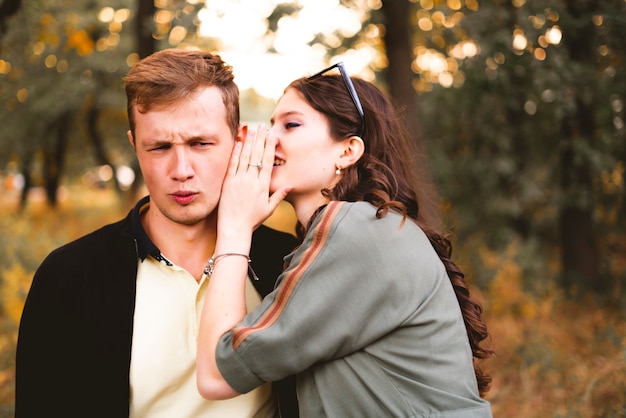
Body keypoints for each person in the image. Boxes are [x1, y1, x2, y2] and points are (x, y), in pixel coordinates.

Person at [196, 61, 494, 417]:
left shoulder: (357, 230)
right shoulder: (370, 227)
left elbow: (216, 375)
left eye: (291, 124)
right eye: (271, 123)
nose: (268, 137)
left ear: (348, 151)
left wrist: (233, 226)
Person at [15, 49, 298, 418]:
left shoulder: (290, 263)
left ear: (238, 140)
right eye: (160, 147)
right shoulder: (69, 276)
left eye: (201, 144)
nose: (181, 169)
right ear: (135, 146)